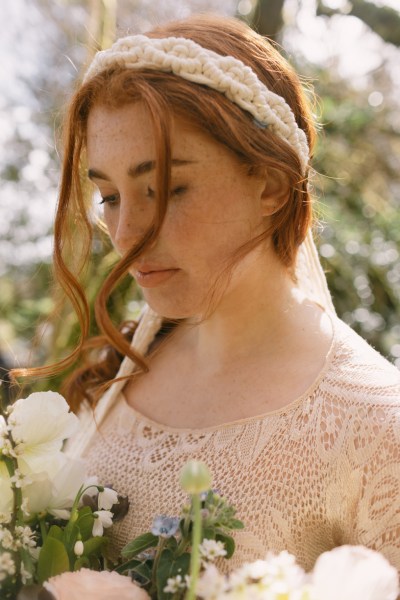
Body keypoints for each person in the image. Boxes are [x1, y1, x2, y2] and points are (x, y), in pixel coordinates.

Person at [16, 14, 400, 573]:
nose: (126, 236)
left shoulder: (375, 430)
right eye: (109, 196)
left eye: (167, 188)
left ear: (268, 182)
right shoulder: (116, 366)